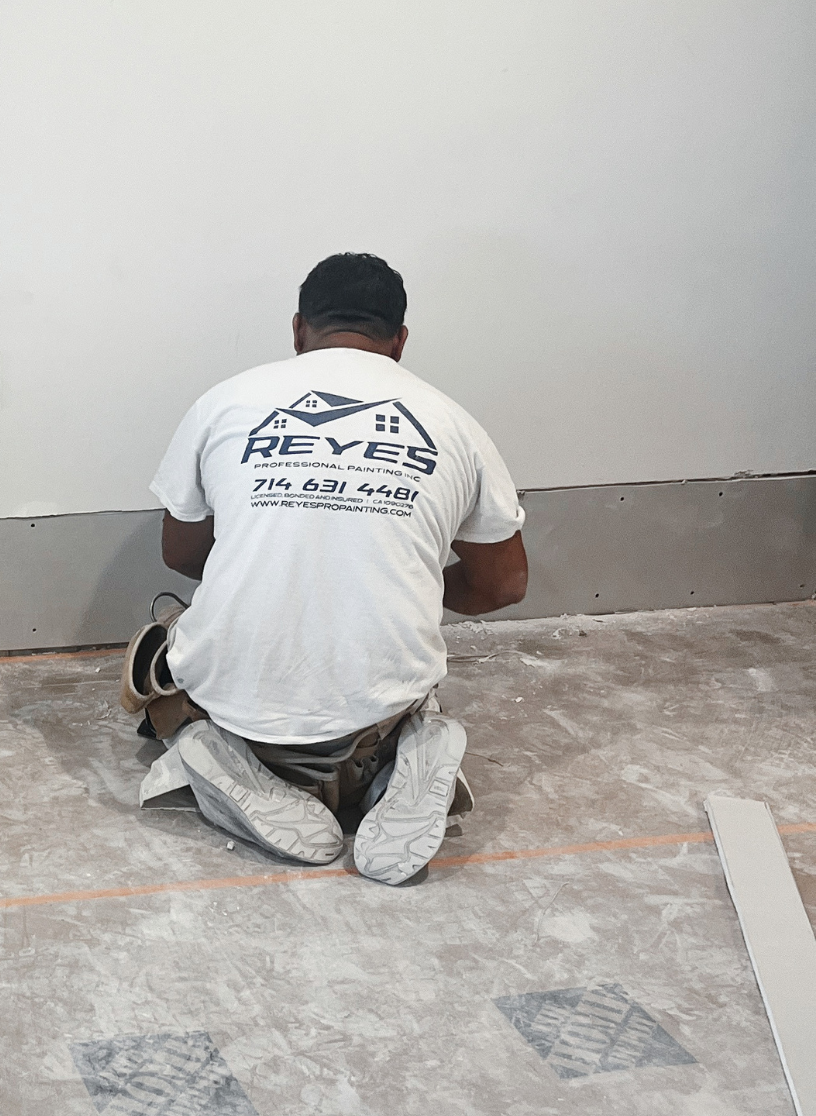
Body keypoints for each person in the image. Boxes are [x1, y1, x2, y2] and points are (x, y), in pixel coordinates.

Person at [124, 253, 527, 885]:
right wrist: (401, 576)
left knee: (158, 651)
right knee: (398, 674)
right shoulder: (456, 424)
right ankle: (405, 756)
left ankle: (221, 758)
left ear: (297, 331)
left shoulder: (224, 403)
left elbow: (180, 556)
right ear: (398, 342)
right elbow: (505, 584)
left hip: (241, 713)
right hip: (377, 717)